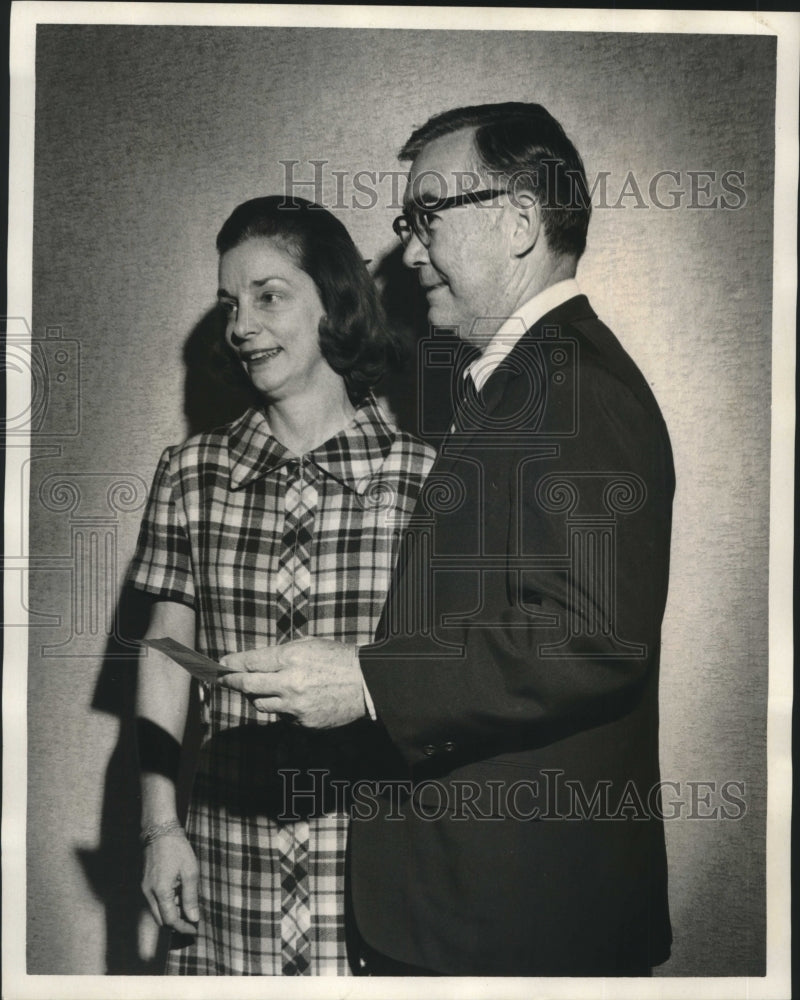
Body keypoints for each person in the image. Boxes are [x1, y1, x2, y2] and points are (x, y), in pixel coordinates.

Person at [220, 103, 675, 976]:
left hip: (519, 928)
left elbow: (589, 636)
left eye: (428, 216)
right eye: (408, 222)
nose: (410, 249)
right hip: (478, 913)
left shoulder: (573, 384)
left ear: (517, 221)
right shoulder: (523, 381)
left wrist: (364, 679)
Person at [128, 195, 434, 975]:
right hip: (228, 869)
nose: (240, 326)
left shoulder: (426, 480)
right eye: (231, 303)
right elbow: (165, 655)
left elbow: (451, 684)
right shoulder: (190, 474)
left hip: (375, 875)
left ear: (334, 301)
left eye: (268, 295)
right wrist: (160, 830)